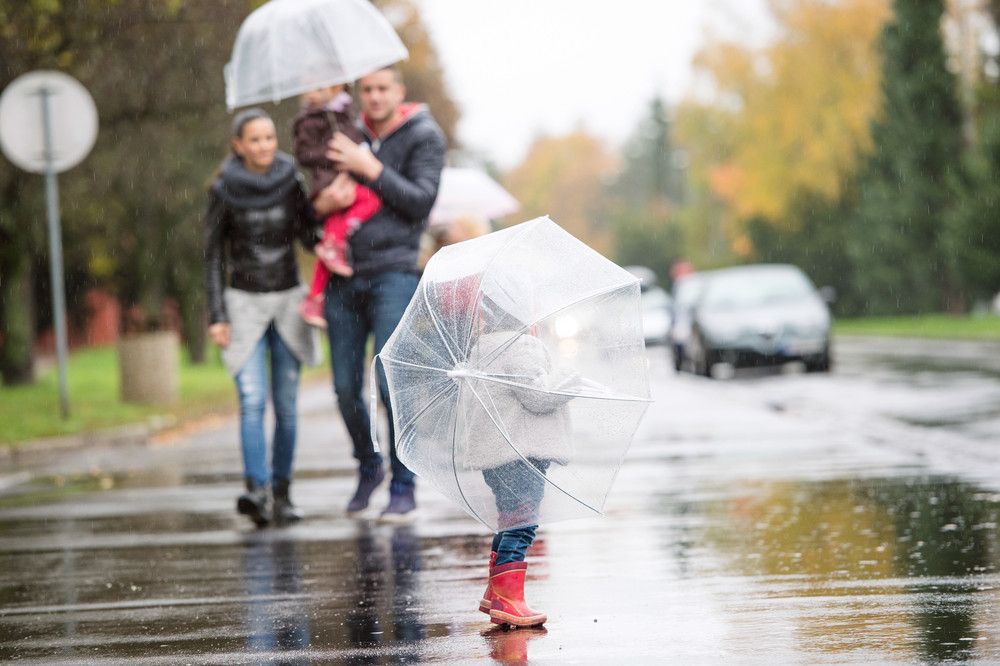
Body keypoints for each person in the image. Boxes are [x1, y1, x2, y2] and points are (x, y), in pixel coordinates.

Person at [313, 65, 446, 522]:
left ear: (399, 92)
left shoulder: (424, 135)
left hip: (394, 272)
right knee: (345, 386)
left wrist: (372, 168)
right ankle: (368, 465)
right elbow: (312, 204)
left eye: (382, 88)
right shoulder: (340, 133)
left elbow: (420, 201)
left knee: (391, 383)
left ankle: (403, 485)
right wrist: (321, 207)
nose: (373, 96)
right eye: (366, 89)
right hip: (341, 276)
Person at [205, 108, 322, 527]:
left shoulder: (291, 179)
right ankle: (255, 490)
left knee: (286, 406)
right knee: (252, 400)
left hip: (288, 300)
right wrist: (216, 315)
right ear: (239, 145)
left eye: (270, 138)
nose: (264, 146)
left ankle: (282, 493)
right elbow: (214, 255)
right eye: (254, 140)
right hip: (243, 302)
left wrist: (325, 216)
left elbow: (309, 238)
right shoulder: (223, 188)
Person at [464, 305, 578, 628]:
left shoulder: (483, 347)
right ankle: (507, 598)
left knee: (510, 520)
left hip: (498, 454)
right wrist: (568, 377)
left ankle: (496, 590)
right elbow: (538, 396)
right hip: (521, 454)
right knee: (522, 524)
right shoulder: (519, 346)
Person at [292, 83, 382, 328]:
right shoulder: (309, 120)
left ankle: (314, 297)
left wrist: (357, 150)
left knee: (331, 241)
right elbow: (304, 154)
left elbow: (352, 138)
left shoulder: (344, 112)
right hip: (328, 183)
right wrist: (336, 153)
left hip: (346, 179)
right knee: (368, 201)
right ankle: (315, 295)